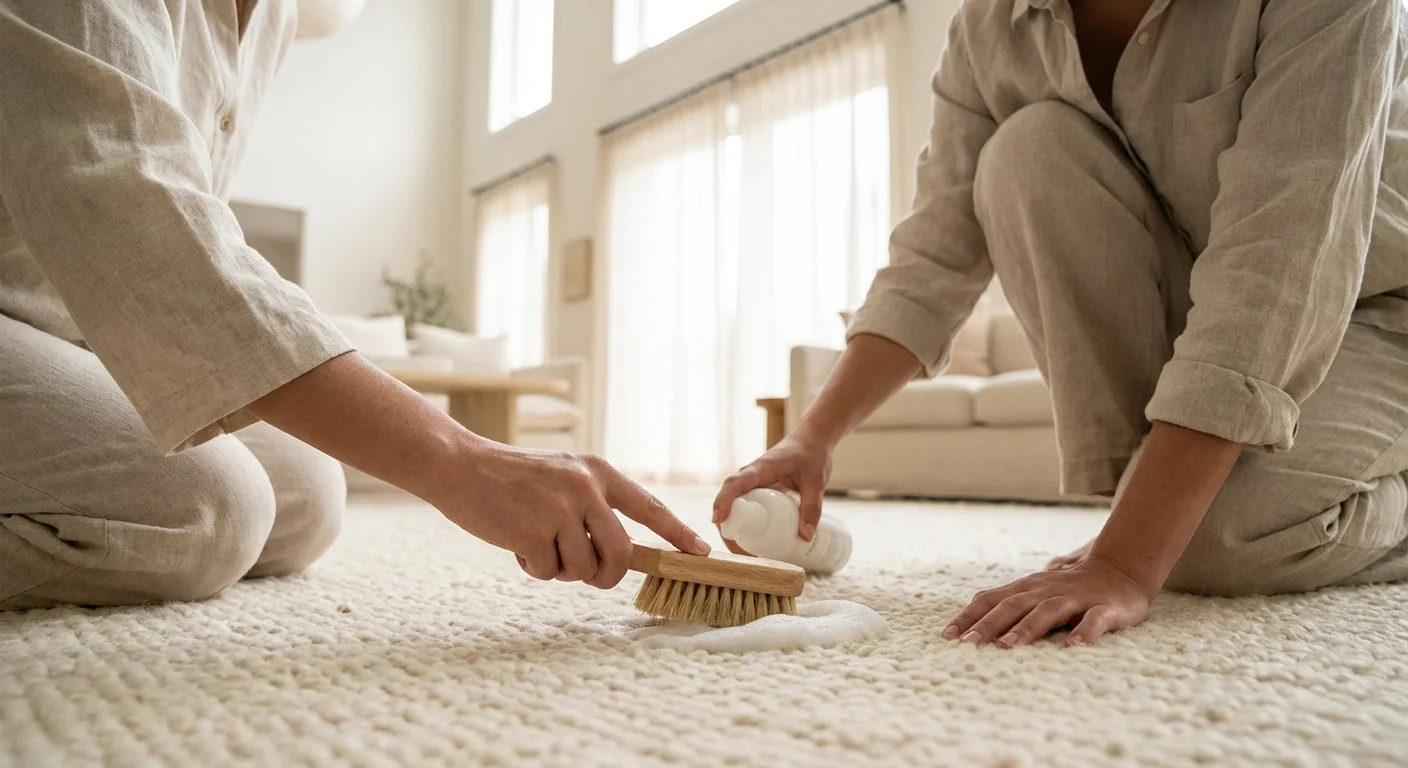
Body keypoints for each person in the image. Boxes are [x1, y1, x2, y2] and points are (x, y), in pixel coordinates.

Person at [716, 0, 1408, 647]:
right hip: (1212, 307)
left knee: (1207, 543)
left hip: (1379, 309)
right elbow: (933, 254)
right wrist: (813, 437)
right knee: (1027, 150)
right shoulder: (991, 24)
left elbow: (1279, 258)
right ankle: (1160, 490)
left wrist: (1128, 561)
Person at [0, 0, 710, 612]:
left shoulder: (276, 16)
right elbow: (129, 208)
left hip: (74, 333)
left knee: (307, 498)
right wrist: (460, 460)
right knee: (209, 508)